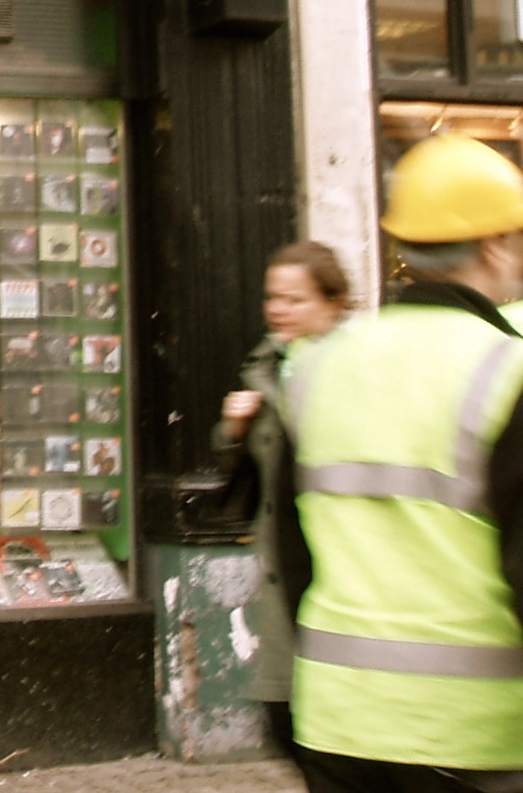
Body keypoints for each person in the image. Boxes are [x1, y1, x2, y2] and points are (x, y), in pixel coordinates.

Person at [279, 135, 523, 792]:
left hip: (337, 718)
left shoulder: (318, 365)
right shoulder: (508, 371)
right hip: (473, 732)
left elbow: (292, 552)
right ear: (494, 243)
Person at [216, 241, 351, 761]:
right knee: (289, 723)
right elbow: (242, 472)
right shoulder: (268, 366)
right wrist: (231, 430)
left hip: (340, 564)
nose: (278, 310)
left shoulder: (356, 367)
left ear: (333, 303)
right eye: (273, 297)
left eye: (294, 299)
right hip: (283, 569)